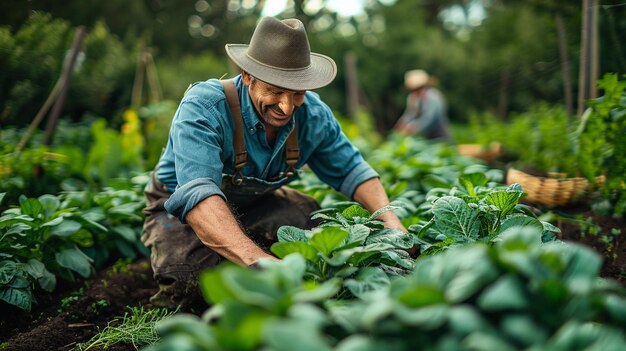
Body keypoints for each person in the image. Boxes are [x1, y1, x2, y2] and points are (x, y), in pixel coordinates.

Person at [141, 17, 411, 308]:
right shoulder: (204, 107)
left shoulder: (312, 115)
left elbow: (353, 171)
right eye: (275, 90)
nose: (286, 106)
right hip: (182, 211)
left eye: (297, 93)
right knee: (188, 280)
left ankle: (240, 250)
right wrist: (258, 261)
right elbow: (198, 197)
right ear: (247, 76)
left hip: (258, 202)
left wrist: (392, 223)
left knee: (319, 236)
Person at [394, 69, 452, 141]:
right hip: (425, 137)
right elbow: (410, 114)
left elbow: (429, 119)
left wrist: (413, 127)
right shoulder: (413, 98)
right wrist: (402, 123)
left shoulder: (433, 97)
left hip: (440, 136)